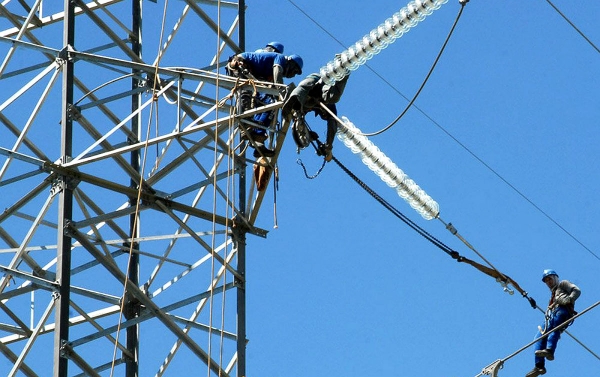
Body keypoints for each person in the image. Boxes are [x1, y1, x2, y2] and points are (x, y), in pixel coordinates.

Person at [226, 51, 303, 157]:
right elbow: (278, 78)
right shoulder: (280, 59)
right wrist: (285, 96)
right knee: (246, 95)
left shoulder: (268, 71)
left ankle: (258, 139)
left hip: (252, 74)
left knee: (269, 104)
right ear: (290, 63)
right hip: (241, 65)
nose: (292, 75)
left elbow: (272, 88)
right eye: (294, 71)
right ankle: (245, 124)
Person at [281, 71, 349, 162]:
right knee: (334, 97)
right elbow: (332, 128)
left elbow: (298, 121)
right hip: (318, 83)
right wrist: (329, 147)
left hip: (308, 92)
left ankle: (296, 98)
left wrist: (308, 133)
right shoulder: (330, 108)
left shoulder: (314, 106)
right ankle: (344, 73)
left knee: (303, 104)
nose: (324, 116)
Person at [526, 269, 581, 377]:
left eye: (550, 279)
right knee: (538, 337)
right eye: (546, 281)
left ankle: (550, 350)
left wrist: (569, 299)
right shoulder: (552, 296)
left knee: (555, 328)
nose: (548, 282)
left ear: (555, 278)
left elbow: (577, 290)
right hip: (552, 315)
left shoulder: (563, 284)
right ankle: (539, 366)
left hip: (563, 311)